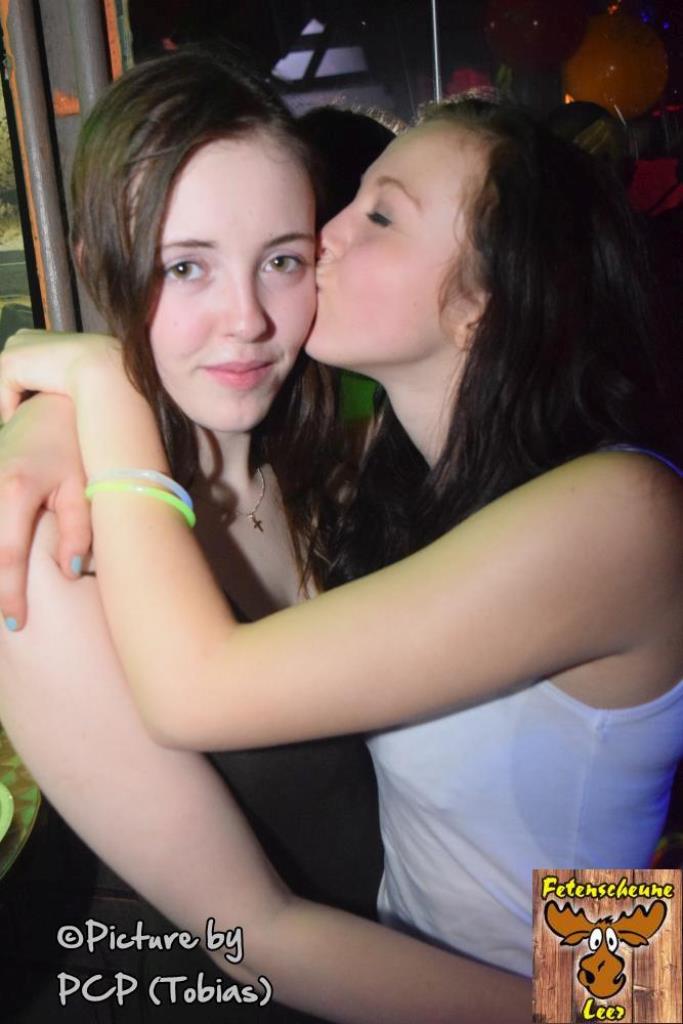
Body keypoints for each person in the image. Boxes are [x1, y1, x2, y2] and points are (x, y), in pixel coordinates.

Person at [2, 93, 682, 1019]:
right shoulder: (399, 486)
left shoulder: (620, 512)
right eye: (185, 265)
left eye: (379, 215)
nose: (324, 240)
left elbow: (196, 690)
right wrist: (52, 419)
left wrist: (98, 383)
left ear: (482, 301)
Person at [0, 46, 390, 1024]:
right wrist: (616, 1004)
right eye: (185, 266)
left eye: (282, 260)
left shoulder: (354, 467)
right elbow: (255, 934)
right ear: (99, 265)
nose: (246, 320)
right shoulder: (51, 547)